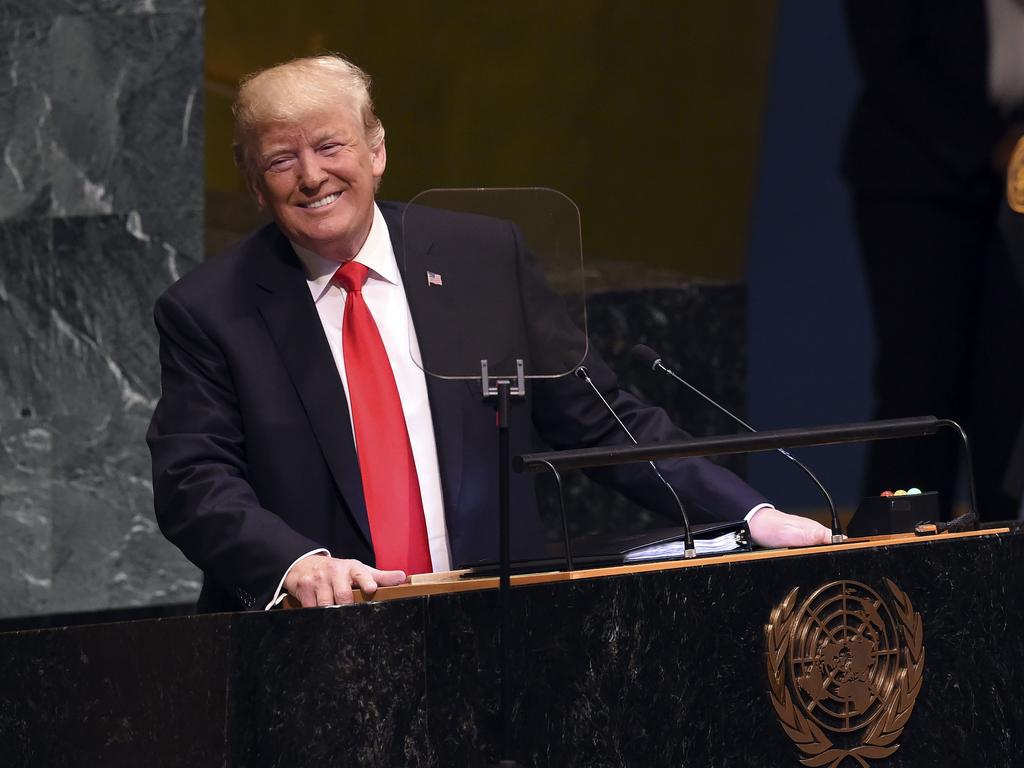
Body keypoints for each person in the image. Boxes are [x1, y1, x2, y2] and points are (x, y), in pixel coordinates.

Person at [146, 55, 830, 613]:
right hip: (311, 646)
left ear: (378, 149)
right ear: (254, 183)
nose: (313, 175)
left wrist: (748, 514)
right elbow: (194, 480)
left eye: (330, 146)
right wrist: (293, 563)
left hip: (491, 632)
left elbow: (601, 425)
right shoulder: (209, 309)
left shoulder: (481, 259)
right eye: (281, 159)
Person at [843, 0, 1024, 521]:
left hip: (1014, 183)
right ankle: (901, 572)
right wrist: (993, 144)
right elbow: (889, 60)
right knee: (921, 384)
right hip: (917, 180)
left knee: (1010, 389)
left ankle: (1003, 561)